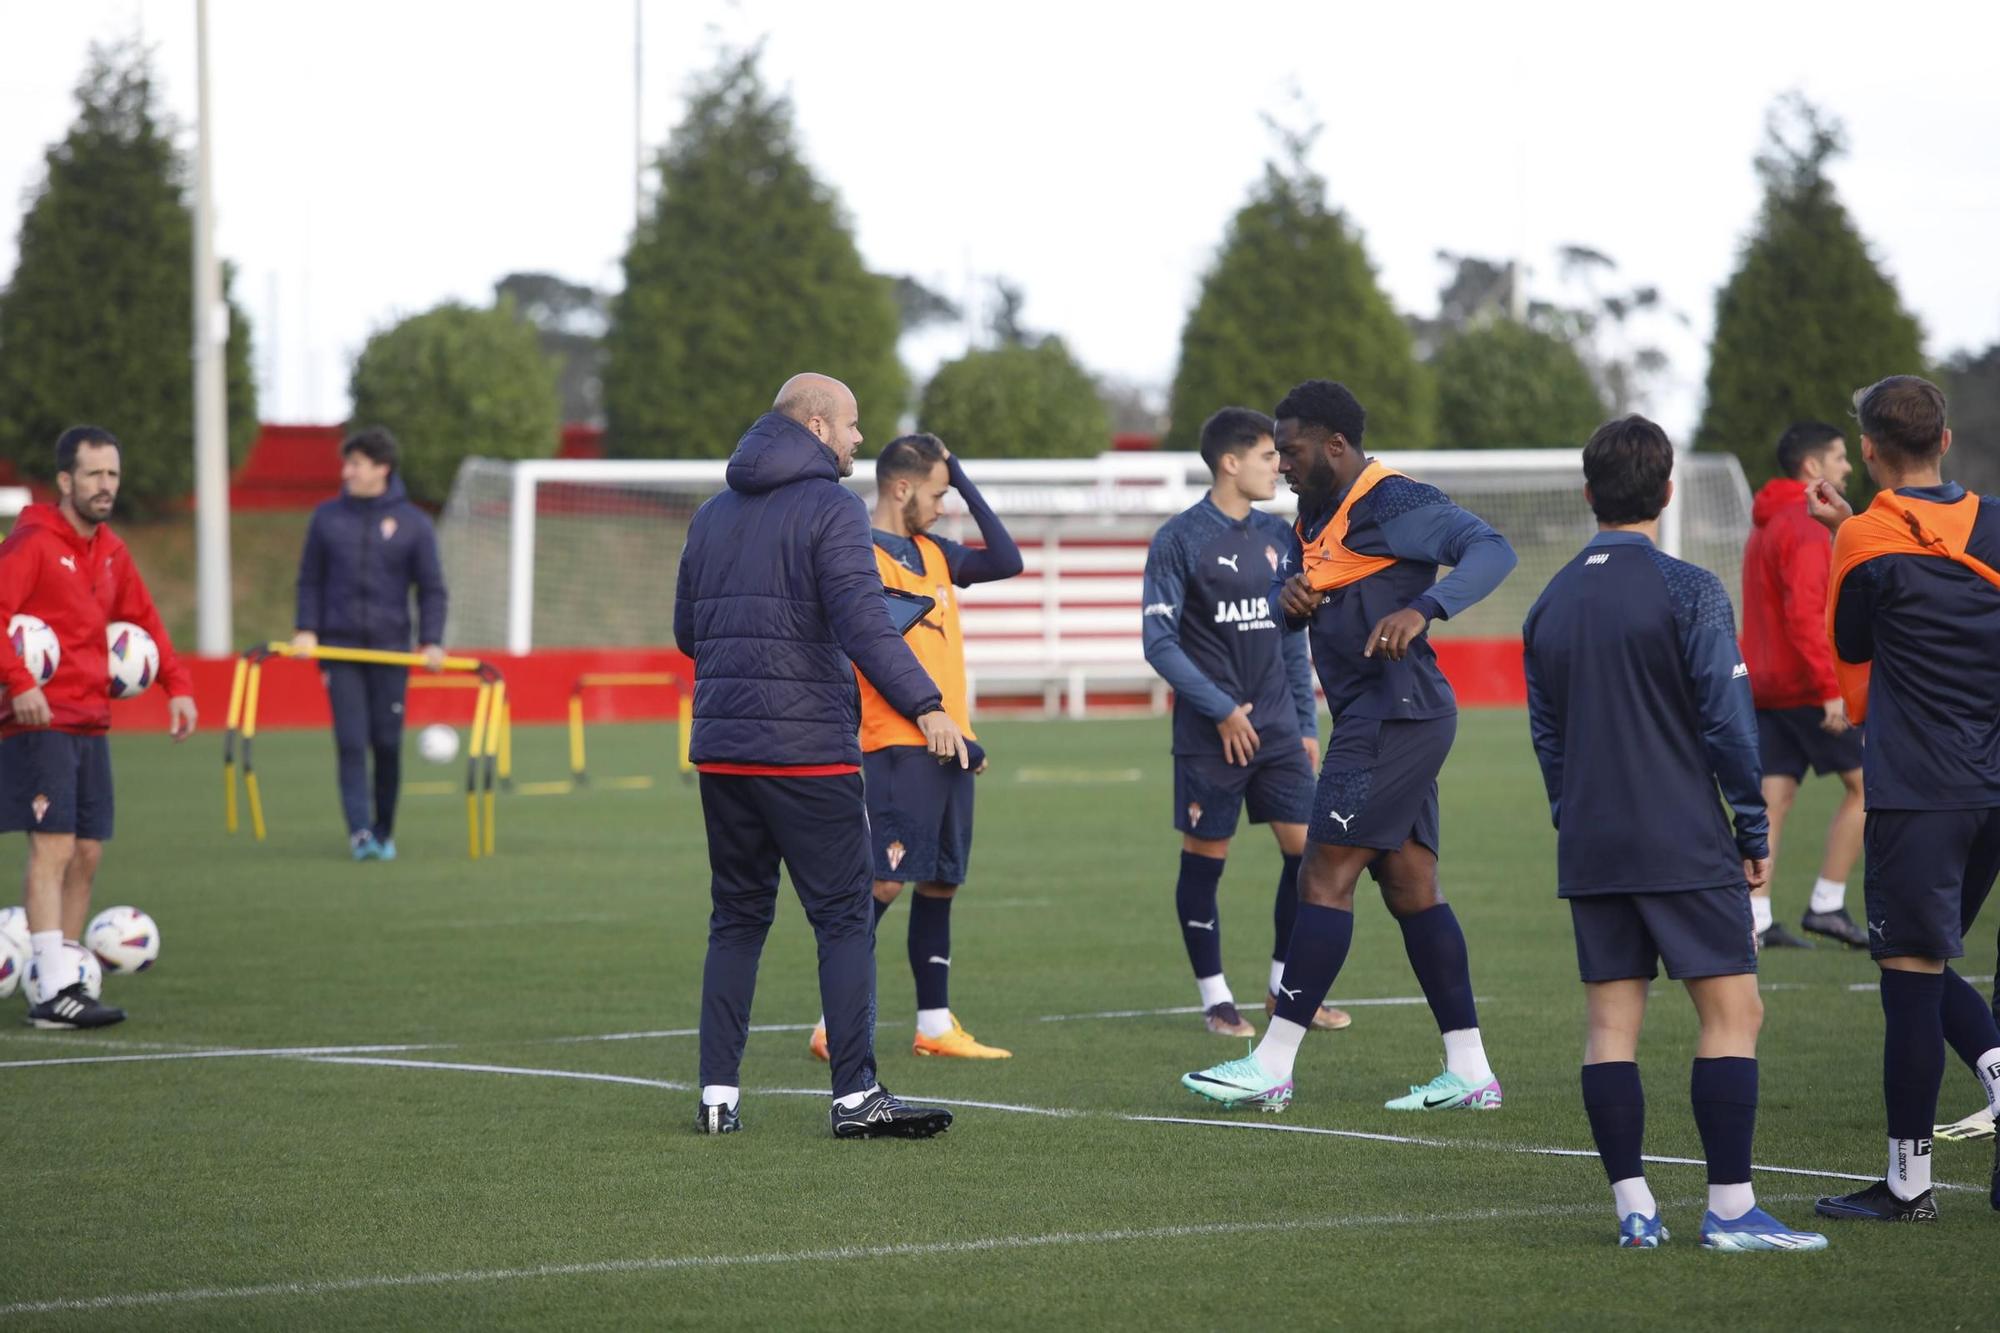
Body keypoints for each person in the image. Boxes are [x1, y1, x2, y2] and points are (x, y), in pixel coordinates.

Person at [1524, 416, 1828, 1251]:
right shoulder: (1690, 587)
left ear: (1589, 494)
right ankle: (1731, 1209)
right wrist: (1752, 821)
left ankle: (1634, 1207)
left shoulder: (1547, 605)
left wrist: (1572, 813)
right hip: (1681, 838)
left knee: (1610, 1028)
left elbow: (1547, 739)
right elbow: (1730, 726)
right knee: (1735, 1012)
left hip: (1591, 843)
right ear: (1665, 493)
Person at [1182, 379, 1513, 1114]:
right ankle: (1471, 1070)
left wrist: (1424, 608)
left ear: (1336, 445)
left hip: (1392, 715)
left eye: (1292, 451)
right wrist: (1288, 604)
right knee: (1410, 886)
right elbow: (1313, 600)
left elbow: (1491, 549)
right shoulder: (1314, 511)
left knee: (1322, 874)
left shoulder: (1393, 499)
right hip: (1386, 712)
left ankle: (1273, 1061)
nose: (1284, 464)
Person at [676, 372, 965, 1138]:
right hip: (807, 754)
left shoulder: (710, 515)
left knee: (735, 919)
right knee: (842, 919)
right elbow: (868, 629)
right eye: (851, 425)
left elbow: (687, 633)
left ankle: (717, 1099)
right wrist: (928, 704)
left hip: (724, 754)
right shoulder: (832, 508)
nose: (858, 438)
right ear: (814, 424)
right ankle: (855, 1098)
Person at [1806, 376, 2000, 1222]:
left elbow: (1850, 649)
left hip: (1921, 786)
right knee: (1933, 957)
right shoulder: (1994, 521)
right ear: (1947, 441)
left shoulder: (1861, 538)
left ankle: (1909, 1185)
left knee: (1911, 973)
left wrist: (1846, 528)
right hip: (1995, 781)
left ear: (1874, 451)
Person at [805, 431, 1023, 1062]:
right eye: (935, 493)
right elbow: (872, 657)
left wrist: (959, 473)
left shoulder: (934, 551)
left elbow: (1007, 560)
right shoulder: (858, 556)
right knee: (886, 881)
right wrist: (929, 719)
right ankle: (829, 1020)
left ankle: (933, 1024)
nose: (943, 504)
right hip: (898, 740)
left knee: (940, 882)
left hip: (952, 742)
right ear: (901, 488)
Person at [1142, 406, 1349, 1037]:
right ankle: (1215, 998)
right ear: (1230, 463)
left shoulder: (1282, 536)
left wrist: (1307, 722)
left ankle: (1286, 988)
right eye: (1267, 456)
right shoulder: (1179, 538)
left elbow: (1292, 632)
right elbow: (1159, 641)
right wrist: (1222, 709)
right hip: (1211, 735)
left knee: (1311, 859)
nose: (1278, 466)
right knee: (1207, 860)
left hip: (1282, 731)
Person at [0, 427, 197, 1029]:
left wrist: (179, 686)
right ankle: (53, 991)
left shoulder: (111, 550)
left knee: (86, 853)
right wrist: (21, 681)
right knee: (53, 847)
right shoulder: (31, 542)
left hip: (91, 721)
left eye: (112, 474)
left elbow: (144, 620)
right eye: (93, 475)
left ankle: (62, 977)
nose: (105, 485)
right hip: (39, 721)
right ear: (65, 481)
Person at [1739, 421, 1867, 949]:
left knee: (1775, 796)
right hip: (1805, 685)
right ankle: (1828, 904)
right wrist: (1829, 687)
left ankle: (1755, 917)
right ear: (1812, 467)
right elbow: (1806, 612)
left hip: (1765, 686)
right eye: (1838, 457)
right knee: (1871, 785)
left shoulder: (1766, 522)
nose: (1847, 467)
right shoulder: (1805, 522)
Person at [291, 428, 447, 861]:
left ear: (382, 469)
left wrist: (431, 640)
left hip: (391, 650)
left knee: (387, 743)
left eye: (356, 464)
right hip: (339, 651)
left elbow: (432, 588)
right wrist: (307, 628)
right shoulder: (327, 518)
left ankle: (383, 829)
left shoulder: (414, 523)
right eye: (347, 463)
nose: (347, 472)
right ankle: (359, 832)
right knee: (351, 740)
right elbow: (309, 580)